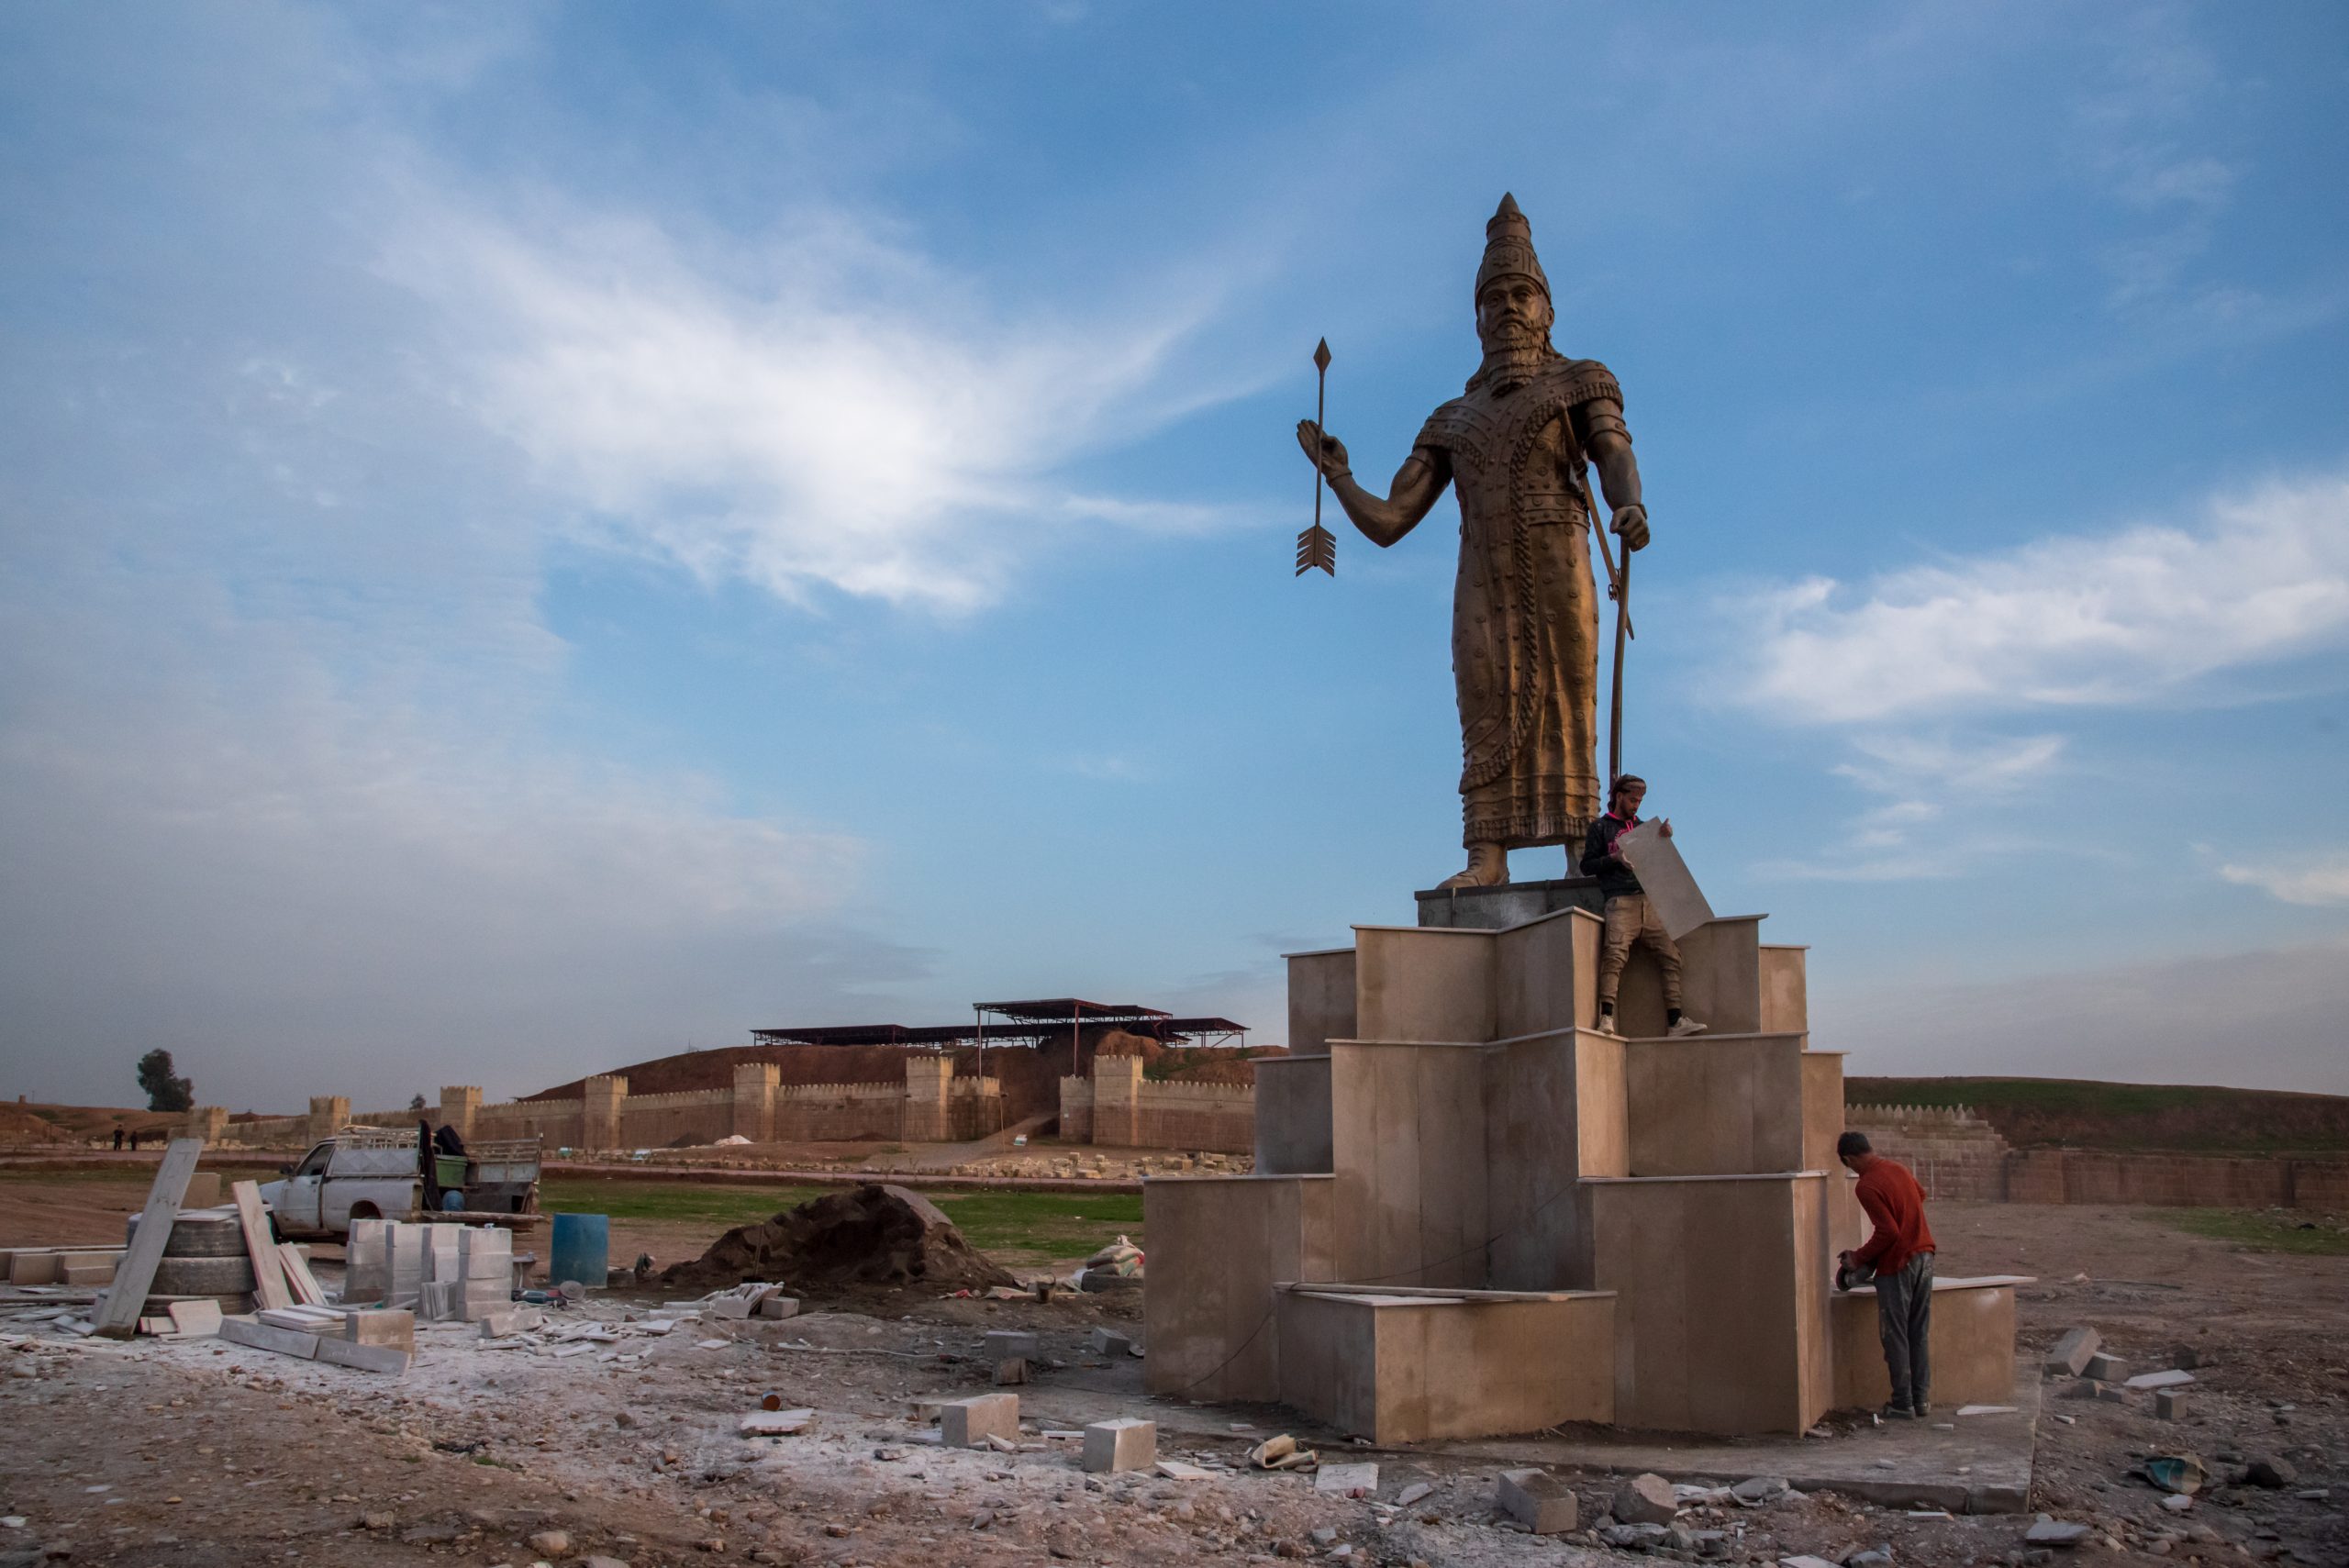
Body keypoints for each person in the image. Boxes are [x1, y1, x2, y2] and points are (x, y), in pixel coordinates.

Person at [1297, 195, 1656, 891]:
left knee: (1568, 704)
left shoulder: (1580, 379)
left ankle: (1579, 851)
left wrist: (1629, 503)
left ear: (1546, 308)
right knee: (1484, 703)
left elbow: (1612, 450)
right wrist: (1339, 477)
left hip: (1558, 566)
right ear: (1476, 317)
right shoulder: (1451, 419)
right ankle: (1486, 854)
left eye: (1522, 294)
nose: (1509, 308)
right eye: (1494, 298)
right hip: (1481, 581)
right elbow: (1392, 519)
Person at [1578, 774, 1705, 1038]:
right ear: (1619, 796)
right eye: (1633, 799)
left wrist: (1665, 839)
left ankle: (1675, 1021)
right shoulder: (1600, 828)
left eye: (1640, 800)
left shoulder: (1644, 828)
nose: (1637, 805)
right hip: (1620, 901)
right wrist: (1614, 858)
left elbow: (1660, 864)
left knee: (1671, 957)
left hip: (1649, 901)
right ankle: (1606, 1018)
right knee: (1614, 957)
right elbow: (1586, 865)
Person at [1837, 1130, 1938, 1418]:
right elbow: (1921, 1195)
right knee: (1918, 1333)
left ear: (1849, 1158)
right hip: (1925, 1256)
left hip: (1899, 1265)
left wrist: (1858, 1258)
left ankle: (1902, 1403)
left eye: (1849, 1165)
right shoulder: (1898, 1169)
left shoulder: (1866, 1185)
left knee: (1895, 1336)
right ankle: (1921, 1401)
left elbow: (1888, 1232)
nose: (1852, 1170)